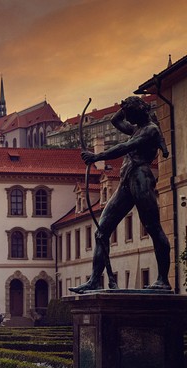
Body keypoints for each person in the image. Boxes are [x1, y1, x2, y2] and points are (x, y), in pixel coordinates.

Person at [70, 95, 171, 293]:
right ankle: (94, 281)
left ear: (140, 111)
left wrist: (97, 156)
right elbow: (115, 121)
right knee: (102, 232)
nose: (129, 118)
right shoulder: (136, 129)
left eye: (131, 114)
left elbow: (124, 147)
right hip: (127, 178)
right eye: (128, 114)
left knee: (153, 228)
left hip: (141, 178)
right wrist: (124, 107)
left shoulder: (151, 130)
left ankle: (163, 280)